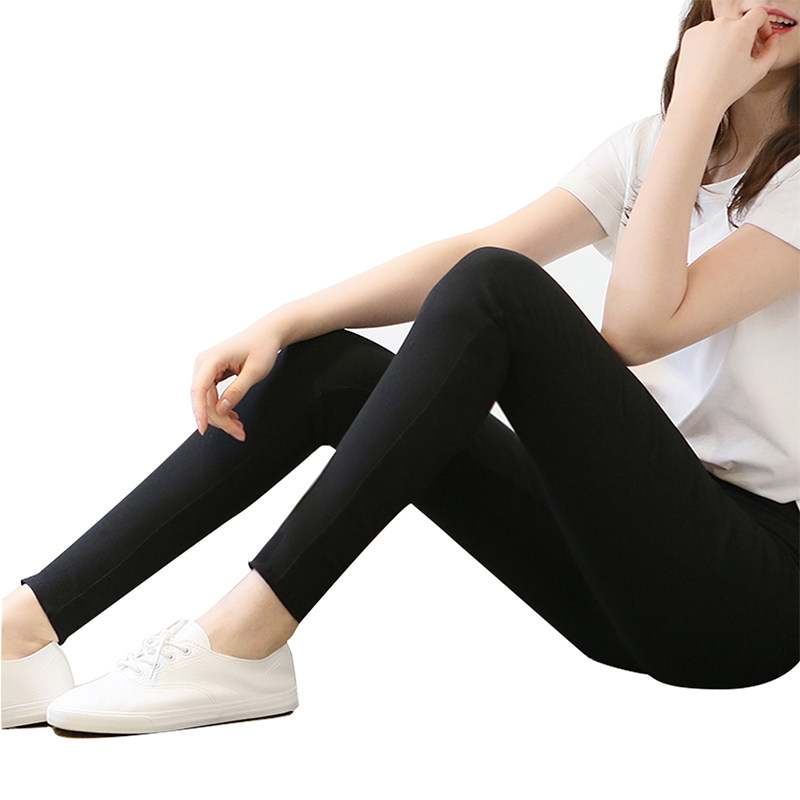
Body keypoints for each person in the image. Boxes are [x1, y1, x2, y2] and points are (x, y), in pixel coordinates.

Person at [2, 1, 798, 736]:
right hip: (606, 576)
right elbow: (472, 253)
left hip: (737, 599)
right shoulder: (653, 145)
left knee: (499, 289)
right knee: (329, 364)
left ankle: (246, 638)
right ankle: (23, 636)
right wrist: (284, 319)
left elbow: (637, 327)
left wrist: (698, 98)